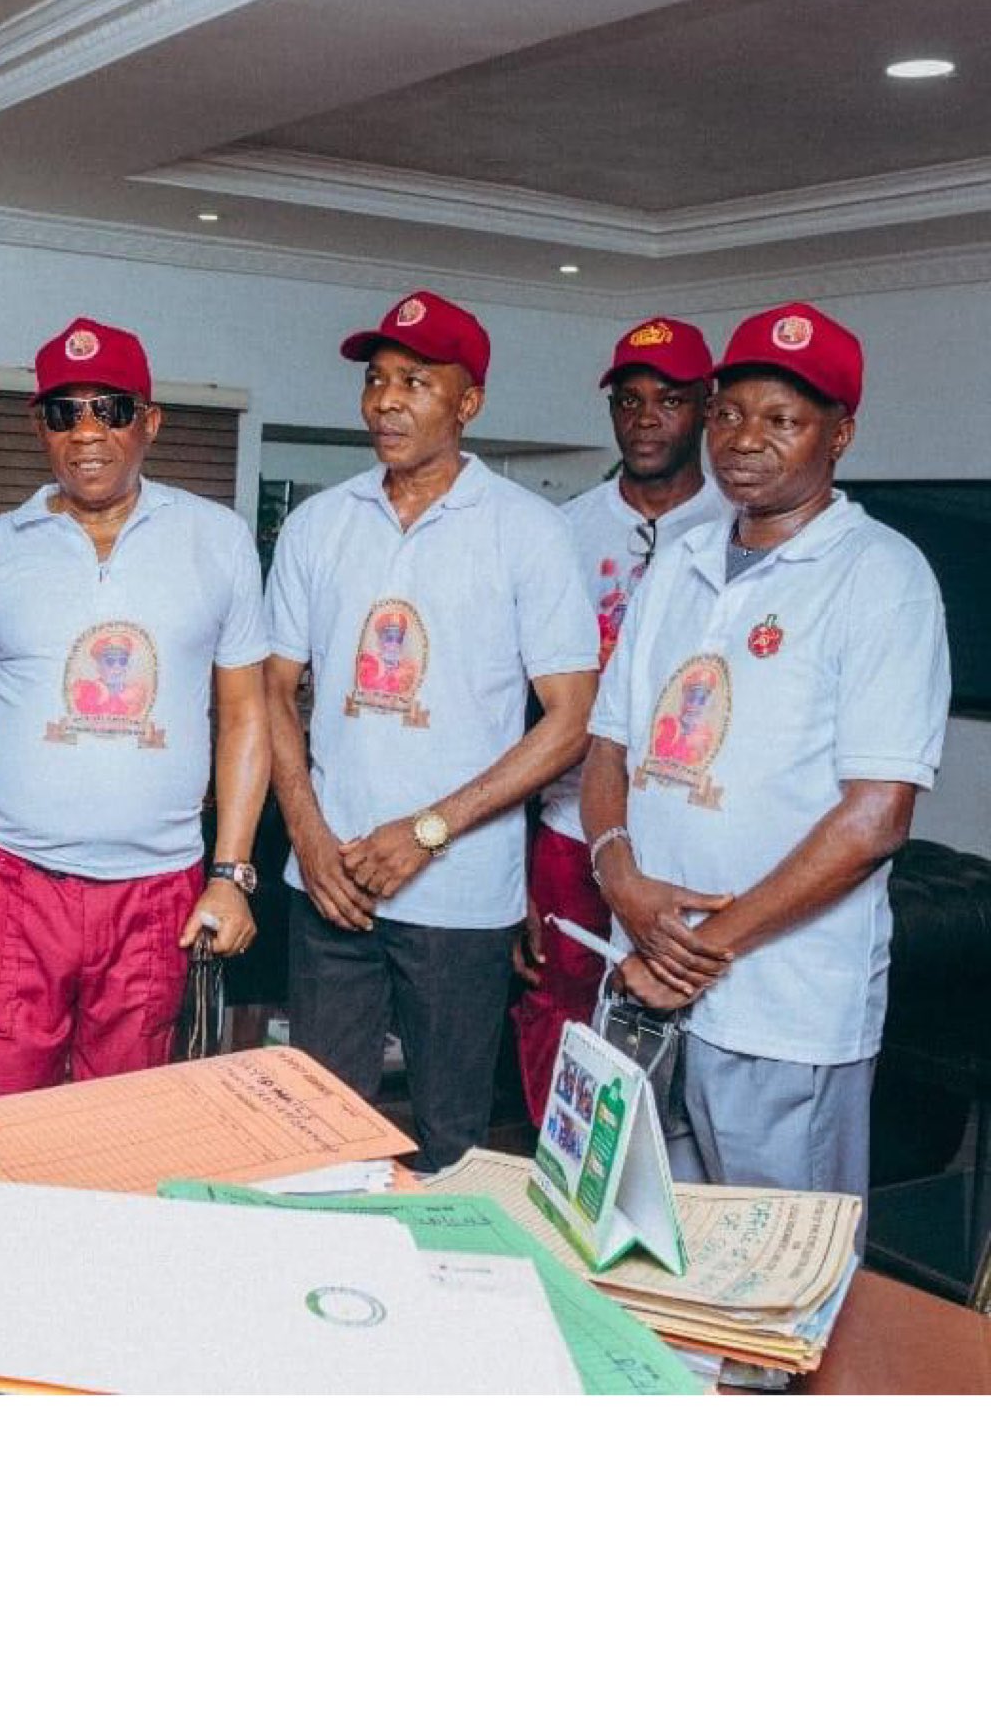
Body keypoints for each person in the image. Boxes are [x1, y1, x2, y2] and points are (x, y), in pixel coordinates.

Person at [581, 302, 948, 1209]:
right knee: (640, 1243)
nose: (746, 440)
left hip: (782, 1009)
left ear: (840, 435)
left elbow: (875, 820)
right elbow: (609, 747)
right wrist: (617, 874)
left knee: (778, 1281)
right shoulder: (682, 559)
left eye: (782, 420)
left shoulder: (881, 576)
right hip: (640, 983)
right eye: (730, 414)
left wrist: (696, 952)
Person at [263, 290, 598, 1170]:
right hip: (330, 883)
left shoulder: (529, 533)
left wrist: (427, 831)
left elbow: (570, 723)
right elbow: (273, 691)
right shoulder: (318, 525)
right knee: (318, 1136)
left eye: (415, 380)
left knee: (451, 1140)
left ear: (469, 403)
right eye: (376, 380)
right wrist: (306, 832)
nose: (385, 401)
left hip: (460, 894)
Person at [0, 318, 270, 1100]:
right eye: (62, 412)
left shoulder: (218, 540)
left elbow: (246, 715)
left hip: (156, 892)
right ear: (37, 427)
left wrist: (232, 873)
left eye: (109, 408)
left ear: (150, 421)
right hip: (10, 885)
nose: (86, 433)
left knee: (121, 1126)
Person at [507, 317, 730, 1122]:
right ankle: (553, 1186)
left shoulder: (738, 528)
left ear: (706, 408)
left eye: (668, 400)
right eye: (628, 401)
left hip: (681, 835)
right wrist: (516, 863)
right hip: (569, 826)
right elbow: (520, 701)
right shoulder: (561, 532)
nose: (644, 418)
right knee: (557, 1016)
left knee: (682, 1037)